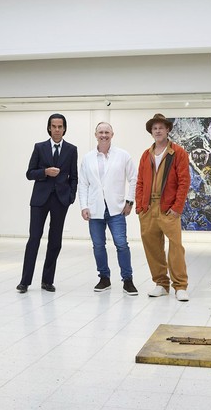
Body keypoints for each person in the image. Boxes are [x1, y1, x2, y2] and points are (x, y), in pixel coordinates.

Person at [17, 113, 78, 293]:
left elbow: (74, 177)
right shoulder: (39, 147)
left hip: (60, 200)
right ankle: (25, 281)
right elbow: (29, 173)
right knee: (34, 238)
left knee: (55, 241)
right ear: (49, 128)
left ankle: (47, 280)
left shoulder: (71, 149)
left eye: (60, 126)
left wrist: (70, 197)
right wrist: (45, 172)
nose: (57, 130)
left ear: (64, 128)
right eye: (54, 126)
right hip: (39, 200)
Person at [135, 113, 191, 301]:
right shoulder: (146, 154)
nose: (158, 131)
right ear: (151, 132)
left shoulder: (178, 153)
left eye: (161, 128)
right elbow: (140, 181)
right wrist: (140, 207)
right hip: (148, 208)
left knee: (176, 246)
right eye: (154, 128)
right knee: (152, 247)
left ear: (167, 130)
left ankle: (180, 286)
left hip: (169, 208)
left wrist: (177, 207)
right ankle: (161, 283)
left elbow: (184, 182)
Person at [78, 122, 138, 295]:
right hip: (95, 209)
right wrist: (84, 206)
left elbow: (133, 179)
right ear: (95, 135)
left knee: (121, 244)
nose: (104, 135)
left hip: (116, 209)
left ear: (112, 134)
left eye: (107, 132)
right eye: (100, 132)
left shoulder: (123, 155)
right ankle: (104, 278)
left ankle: (128, 280)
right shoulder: (88, 158)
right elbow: (83, 184)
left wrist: (130, 202)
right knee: (98, 246)